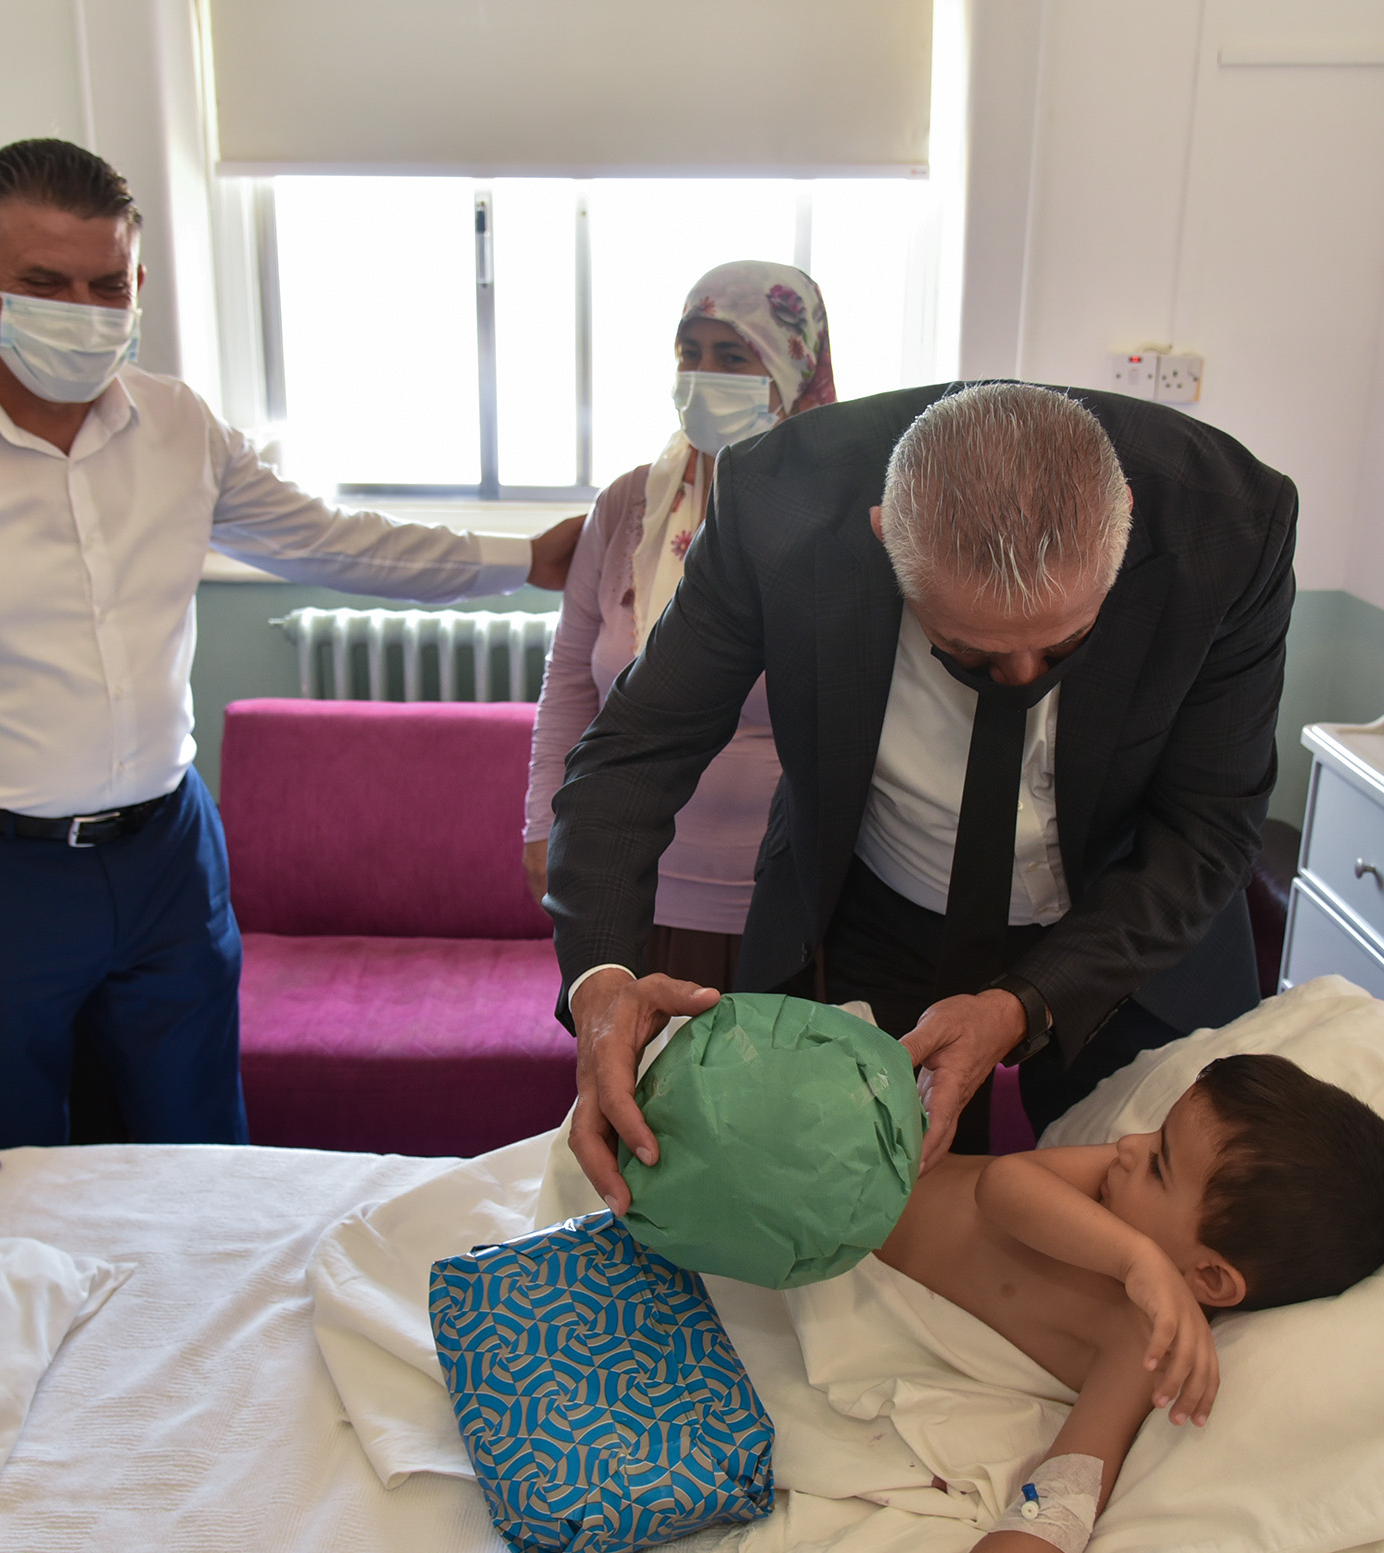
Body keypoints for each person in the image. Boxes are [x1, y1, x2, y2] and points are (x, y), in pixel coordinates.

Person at [0, 138, 582, 1152]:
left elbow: (328, 540)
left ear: (138, 283)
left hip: (166, 856)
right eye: (44, 283)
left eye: (107, 285)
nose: (83, 310)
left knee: (199, 1148)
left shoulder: (175, 424)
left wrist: (522, 558)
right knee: (0, 1165)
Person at [548, 381, 1295, 1209]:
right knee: (848, 1208)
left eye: (1065, 646)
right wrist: (600, 981)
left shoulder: (1230, 524)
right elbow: (633, 753)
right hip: (874, 911)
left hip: (1135, 924)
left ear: (1123, 515)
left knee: (1147, 1219)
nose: (1021, 681)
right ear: (883, 536)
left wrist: (1021, 1004)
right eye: (969, 653)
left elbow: (1210, 829)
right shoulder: (777, 508)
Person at [790, 1053, 1384, 1553]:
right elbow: (1002, 1184)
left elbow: (1060, 1508)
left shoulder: (1140, 1343)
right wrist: (1136, 1257)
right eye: (1156, 1134)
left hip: (828, 1257)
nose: (1130, 1145)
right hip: (849, 1154)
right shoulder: (1109, 1191)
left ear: (1211, 1277)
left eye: (1160, 1165)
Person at [523, 260, 835, 990]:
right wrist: (544, 824)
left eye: (732, 357)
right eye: (688, 353)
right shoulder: (629, 505)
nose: (702, 376)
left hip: (797, 895)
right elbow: (569, 681)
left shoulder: (843, 515)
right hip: (632, 887)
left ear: (793, 372)